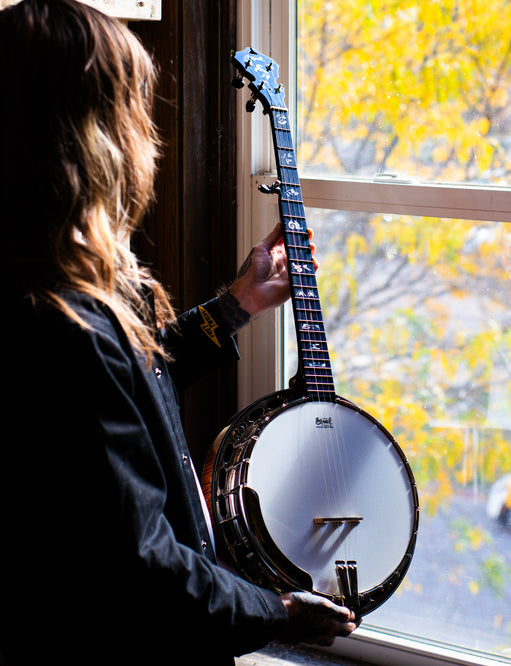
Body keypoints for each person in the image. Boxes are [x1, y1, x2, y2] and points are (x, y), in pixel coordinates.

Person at [0, 1, 359, 664]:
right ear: (90, 136)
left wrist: (233, 307)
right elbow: (139, 567)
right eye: (132, 110)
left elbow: (124, 388)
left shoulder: (44, 277)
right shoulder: (58, 322)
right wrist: (274, 612)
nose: (148, 136)